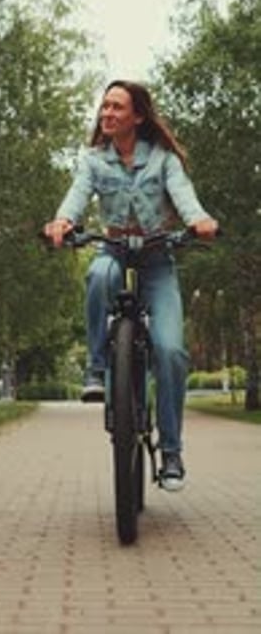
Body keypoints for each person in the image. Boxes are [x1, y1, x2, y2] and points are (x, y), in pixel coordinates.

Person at [44, 80, 218, 490]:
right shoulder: (93, 160)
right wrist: (62, 221)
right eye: (104, 107)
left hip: (158, 260)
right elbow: (76, 195)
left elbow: (184, 196)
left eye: (116, 107)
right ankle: (96, 366)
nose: (107, 114)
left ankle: (171, 452)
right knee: (99, 274)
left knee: (171, 351)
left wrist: (199, 220)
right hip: (114, 249)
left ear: (137, 116)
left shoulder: (163, 160)